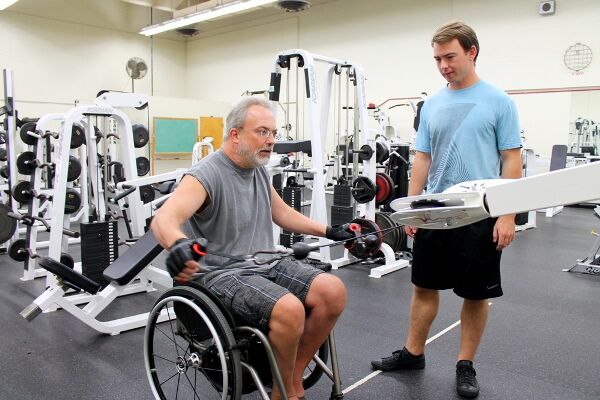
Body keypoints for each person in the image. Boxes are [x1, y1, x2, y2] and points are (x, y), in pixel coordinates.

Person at [151, 97, 350, 400]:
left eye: (273, 133)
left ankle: (291, 378)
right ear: (235, 135)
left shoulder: (257, 169)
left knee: (333, 292)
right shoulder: (205, 174)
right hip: (222, 273)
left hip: (264, 262)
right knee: (289, 310)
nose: (271, 140)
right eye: (262, 132)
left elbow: (282, 213)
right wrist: (178, 244)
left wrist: (329, 231)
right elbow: (164, 218)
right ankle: (285, 391)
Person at [370, 21, 522, 399]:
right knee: (423, 286)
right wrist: (410, 208)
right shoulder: (433, 105)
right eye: (437, 59)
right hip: (434, 210)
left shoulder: (499, 101)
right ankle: (413, 353)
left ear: (472, 52)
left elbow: (511, 159)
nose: (443, 66)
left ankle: (464, 364)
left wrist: (507, 214)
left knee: (475, 293)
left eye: (450, 57)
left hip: (479, 212)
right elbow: (422, 157)